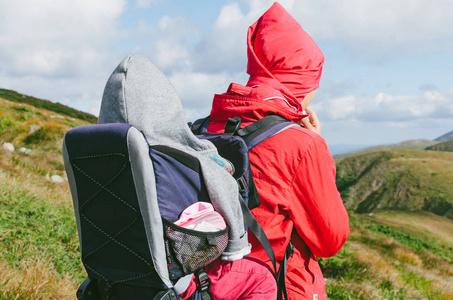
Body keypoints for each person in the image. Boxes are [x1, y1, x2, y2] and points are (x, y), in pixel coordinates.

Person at [205, 2, 350, 299]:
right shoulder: (302, 145)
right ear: (300, 82)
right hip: (275, 286)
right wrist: (316, 147)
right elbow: (330, 240)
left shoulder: (208, 127)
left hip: (210, 284)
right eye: (314, 83)